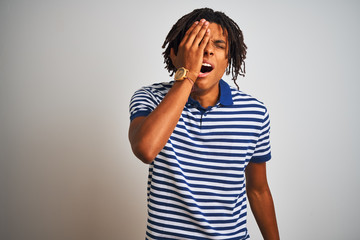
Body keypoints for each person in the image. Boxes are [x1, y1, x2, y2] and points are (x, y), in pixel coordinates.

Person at [128, 8, 279, 240]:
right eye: (196, 42)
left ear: (228, 58)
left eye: (218, 45)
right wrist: (186, 75)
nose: (207, 50)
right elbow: (145, 149)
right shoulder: (150, 98)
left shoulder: (254, 112)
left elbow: (258, 190)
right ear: (174, 54)